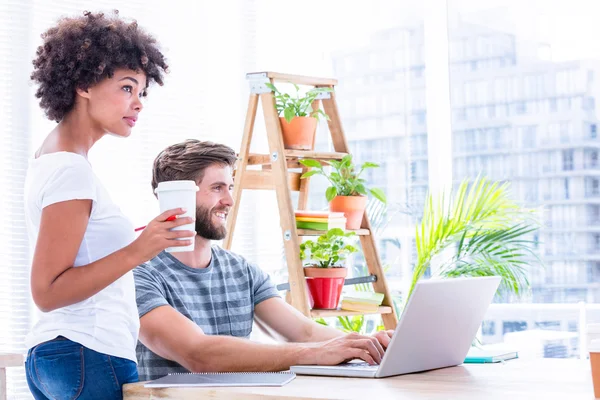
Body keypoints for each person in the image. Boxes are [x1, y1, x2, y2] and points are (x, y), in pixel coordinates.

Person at [24, 10, 195, 400]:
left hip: (63, 354)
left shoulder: (52, 160)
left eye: (142, 93)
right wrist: (140, 249)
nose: (137, 104)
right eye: (126, 88)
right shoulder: (71, 170)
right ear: (83, 83)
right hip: (88, 352)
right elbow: (47, 292)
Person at [134, 139, 394, 381]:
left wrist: (367, 346)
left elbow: (304, 333)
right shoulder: (138, 274)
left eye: (230, 187)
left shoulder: (241, 271)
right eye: (217, 188)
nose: (229, 201)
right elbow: (198, 354)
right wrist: (316, 353)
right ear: (175, 195)